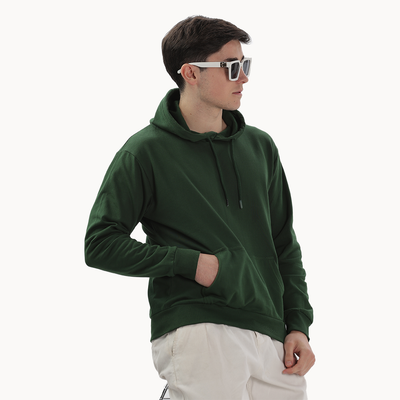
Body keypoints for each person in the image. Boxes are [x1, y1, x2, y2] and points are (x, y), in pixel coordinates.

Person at [85, 15, 315, 400]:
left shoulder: (260, 147)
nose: (244, 77)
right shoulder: (145, 151)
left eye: (245, 64)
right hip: (200, 323)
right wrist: (191, 264)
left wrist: (298, 325)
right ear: (190, 73)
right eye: (231, 67)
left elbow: (283, 244)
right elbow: (100, 243)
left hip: (271, 334)